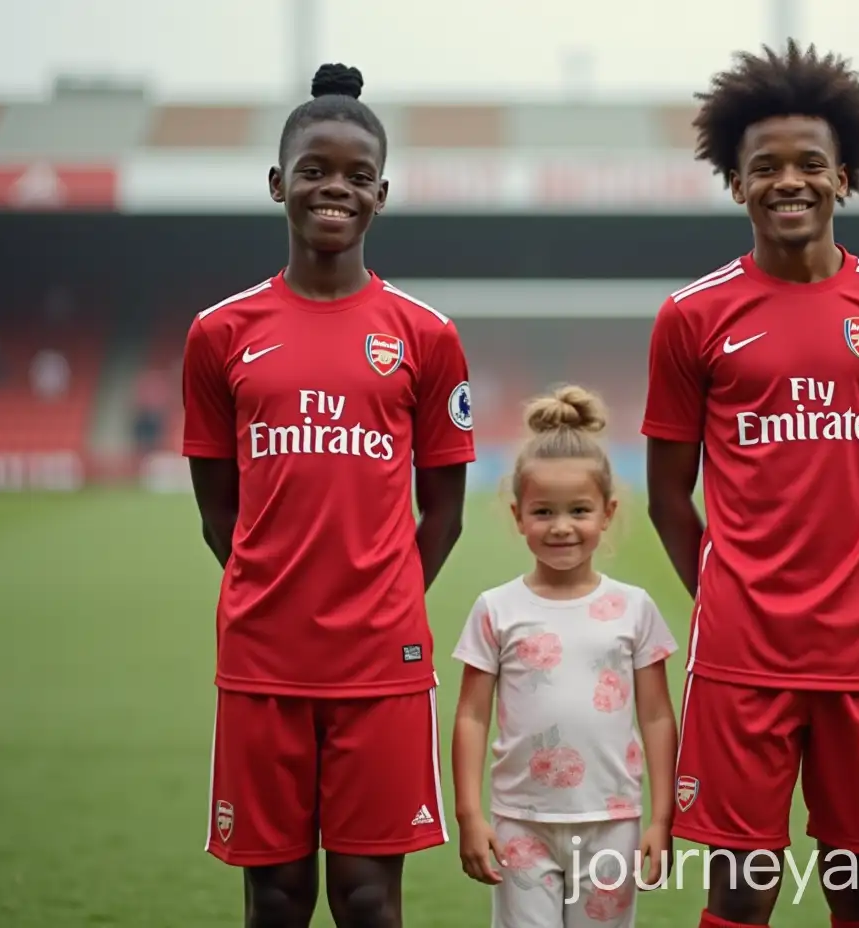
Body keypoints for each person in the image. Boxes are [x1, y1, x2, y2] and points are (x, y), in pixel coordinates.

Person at [641, 41, 859, 928]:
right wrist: (726, 592)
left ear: (844, 176)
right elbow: (668, 494)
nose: (789, 182)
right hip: (743, 652)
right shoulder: (691, 317)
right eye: (764, 167)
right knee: (741, 883)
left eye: (810, 164)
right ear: (735, 184)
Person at [180, 62, 475, 928]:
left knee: (368, 897)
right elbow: (215, 510)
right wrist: (275, 593)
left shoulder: (426, 336)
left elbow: (445, 510)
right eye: (313, 170)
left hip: (381, 664)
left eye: (355, 176)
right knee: (273, 897)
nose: (333, 189)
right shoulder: (220, 334)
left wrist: (380, 600)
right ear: (278, 183)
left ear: (382, 193)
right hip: (263, 656)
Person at [451, 385, 680, 928]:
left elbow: (655, 715)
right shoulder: (496, 609)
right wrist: (469, 813)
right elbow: (471, 715)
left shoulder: (634, 609)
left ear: (607, 513)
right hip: (520, 822)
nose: (560, 526)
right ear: (518, 514)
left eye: (579, 510)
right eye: (543, 511)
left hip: (612, 821)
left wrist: (662, 818)